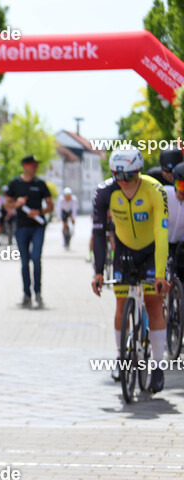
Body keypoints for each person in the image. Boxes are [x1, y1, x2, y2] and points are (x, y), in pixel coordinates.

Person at [91, 148, 169, 392]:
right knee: (121, 305)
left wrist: (160, 274)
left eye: (130, 176)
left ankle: (158, 366)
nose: (124, 182)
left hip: (150, 250)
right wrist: (98, 271)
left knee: (154, 303)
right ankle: (120, 357)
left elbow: (162, 233)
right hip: (124, 250)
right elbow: (98, 232)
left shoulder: (154, 189)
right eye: (118, 176)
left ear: (139, 172)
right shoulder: (104, 192)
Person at [5, 154, 53, 307]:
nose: (35, 168)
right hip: (22, 227)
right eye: (33, 165)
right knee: (24, 262)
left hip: (38, 226)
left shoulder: (40, 184)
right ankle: (27, 294)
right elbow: (7, 205)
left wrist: (39, 212)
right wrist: (17, 204)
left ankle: (38, 293)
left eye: (36, 165)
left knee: (36, 259)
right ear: (25, 166)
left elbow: (50, 206)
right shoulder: (15, 183)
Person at [167, 162, 184, 282]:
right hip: (162, 239)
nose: (182, 192)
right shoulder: (164, 193)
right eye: (180, 185)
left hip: (180, 243)